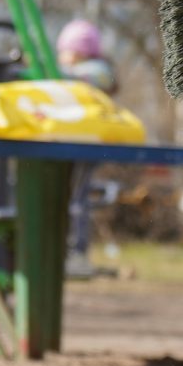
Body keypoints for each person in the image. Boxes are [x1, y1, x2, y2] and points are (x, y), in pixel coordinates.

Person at [55, 19, 116, 276]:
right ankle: (63, 250)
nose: (61, 56)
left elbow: (78, 80)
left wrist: (53, 69)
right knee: (67, 199)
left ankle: (77, 254)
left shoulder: (97, 70)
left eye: (65, 51)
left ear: (79, 51)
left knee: (76, 200)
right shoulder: (80, 70)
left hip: (86, 144)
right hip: (72, 142)